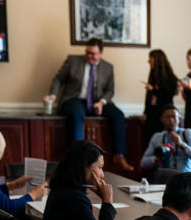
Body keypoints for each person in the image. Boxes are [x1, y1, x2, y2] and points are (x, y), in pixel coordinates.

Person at [44, 38, 132, 172]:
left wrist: (102, 103)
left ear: (101, 53)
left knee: (118, 115)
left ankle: (119, 155)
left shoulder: (108, 67)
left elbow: (110, 90)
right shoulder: (72, 61)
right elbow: (58, 79)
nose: (89, 56)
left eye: (93, 53)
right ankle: (77, 157)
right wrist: (53, 95)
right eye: (87, 52)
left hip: (98, 101)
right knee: (76, 113)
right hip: (75, 99)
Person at [140, 106, 191, 174]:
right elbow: (143, 163)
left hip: (184, 177)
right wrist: (157, 157)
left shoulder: (187, 133)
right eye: (167, 117)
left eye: (174, 117)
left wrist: (182, 144)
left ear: (179, 118)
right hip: (164, 177)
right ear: (161, 119)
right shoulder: (157, 137)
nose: (171, 120)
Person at [141, 49, 178, 140]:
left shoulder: (170, 77)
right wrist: (145, 112)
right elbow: (149, 96)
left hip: (165, 114)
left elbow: (168, 95)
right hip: (152, 114)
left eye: (151, 58)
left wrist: (154, 90)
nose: (148, 61)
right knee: (150, 139)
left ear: (157, 60)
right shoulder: (153, 74)